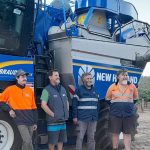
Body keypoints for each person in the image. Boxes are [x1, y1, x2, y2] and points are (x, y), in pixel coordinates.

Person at [0, 69, 37, 150]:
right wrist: (9, 110)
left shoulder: (30, 90)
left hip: (30, 120)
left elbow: (33, 107)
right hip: (20, 120)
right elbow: (1, 101)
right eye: (22, 76)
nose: (25, 78)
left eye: (25, 76)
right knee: (27, 141)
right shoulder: (10, 89)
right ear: (17, 78)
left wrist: (35, 122)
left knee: (26, 142)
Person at [106, 69, 138, 150]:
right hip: (115, 114)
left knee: (127, 134)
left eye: (126, 75)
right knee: (115, 133)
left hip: (128, 115)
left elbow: (135, 98)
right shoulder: (112, 87)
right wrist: (116, 107)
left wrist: (127, 106)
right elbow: (107, 99)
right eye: (123, 75)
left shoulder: (132, 86)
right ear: (118, 77)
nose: (125, 77)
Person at [40, 69, 69, 150]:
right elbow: (43, 105)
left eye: (58, 75)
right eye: (56, 75)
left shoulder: (63, 88)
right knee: (52, 142)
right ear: (50, 77)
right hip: (53, 121)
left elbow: (66, 101)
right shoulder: (46, 90)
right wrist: (53, 115)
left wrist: (66, 112)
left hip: (62, 120)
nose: (58, 77)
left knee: (61, 140)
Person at [72, 72, 99, 150]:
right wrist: (75, 117)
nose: (90, 80)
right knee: (80, 138)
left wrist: (96, 116)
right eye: (88, 78)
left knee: (91, 138)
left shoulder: (95, 90)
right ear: (83, 80)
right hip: (82, 119)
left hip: (93, 119)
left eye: (91, 78)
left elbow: (98, 105)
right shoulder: (79, 90)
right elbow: (74, 104)